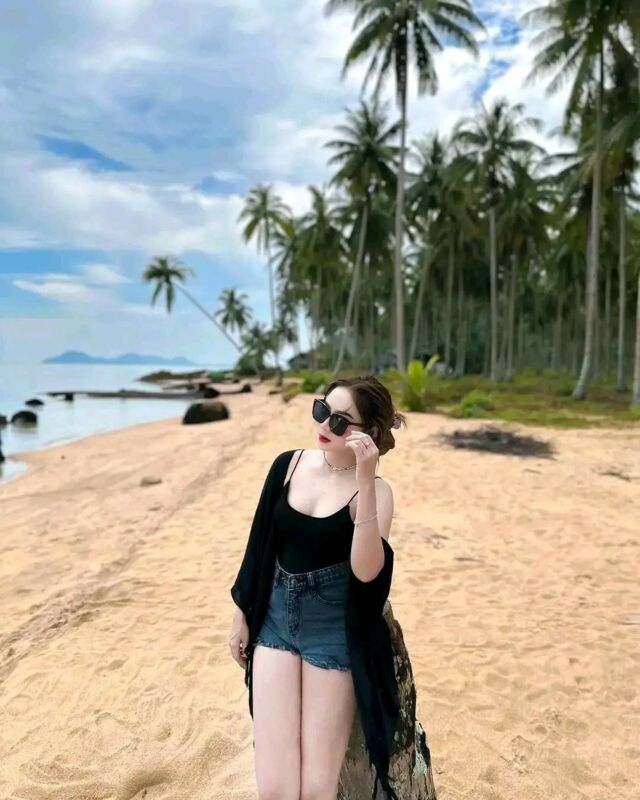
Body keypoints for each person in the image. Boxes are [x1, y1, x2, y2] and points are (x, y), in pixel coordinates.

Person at [229, 375, 407, 800]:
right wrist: (241, 613)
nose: (325, 425)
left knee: (315, 788)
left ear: (369, 433)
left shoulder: (378, 494)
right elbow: (259, 545)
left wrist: (365, 481)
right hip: (274, 623)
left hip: (333, 635)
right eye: (322, 410)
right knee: (276, 788)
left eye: (341, 420)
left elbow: (367, 573)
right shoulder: (288, 465)